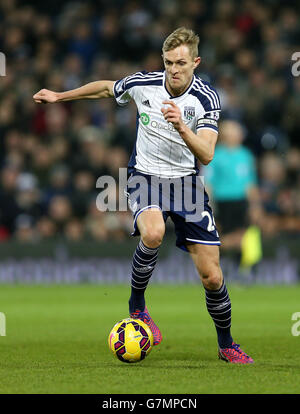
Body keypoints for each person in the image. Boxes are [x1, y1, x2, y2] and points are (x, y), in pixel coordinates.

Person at [33, 27, 254, 364]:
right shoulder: (143, 84)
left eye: (181, 63)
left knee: (212, 275)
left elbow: (207, 154)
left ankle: (226, 344)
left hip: (187, 186)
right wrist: (61, 97)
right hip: (145, 177)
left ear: (196, 62)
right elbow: (107, 88)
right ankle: (137, 305)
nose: (174, 70)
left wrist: (182, 127)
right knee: (153, 232)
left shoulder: (206, 99)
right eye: (168, 63)